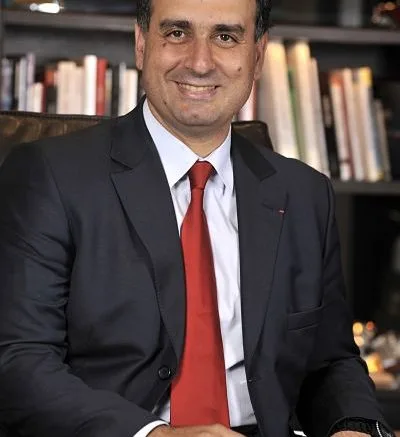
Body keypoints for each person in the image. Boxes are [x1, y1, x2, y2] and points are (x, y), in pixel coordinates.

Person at [0, 0, 394, 436]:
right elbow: (19, 362)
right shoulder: (52, 176)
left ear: (257, 55)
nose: (200, 62)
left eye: (225, 37)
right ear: (141, 44)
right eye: (176, 33)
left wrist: (353, 424)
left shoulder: (304, 193)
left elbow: (330, 361)